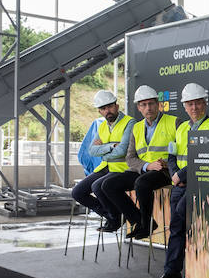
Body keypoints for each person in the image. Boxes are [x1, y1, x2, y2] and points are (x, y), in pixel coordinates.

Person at [152, 83, 209, 278]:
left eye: (198, 103)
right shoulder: (182, 127)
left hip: (204, 184)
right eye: (190, 104)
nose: (194, 107)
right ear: (184, 106)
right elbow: (172, 154)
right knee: (176, 227)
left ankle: (204, 273)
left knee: (188, 220)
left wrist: (182, 175)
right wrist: (176, 174)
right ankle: (172, 272)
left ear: (205, 103)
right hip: (180, 185)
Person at [99, 85, 180, 238]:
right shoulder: (136, 128)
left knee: (142, 183)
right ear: (139, 107)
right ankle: (141, 221)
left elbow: (183, 151)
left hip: (164, 172)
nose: (148, 108)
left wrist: (167, 163)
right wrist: (146, 166)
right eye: (144, 105)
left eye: (151, 103)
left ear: (158, 104)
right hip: (143, 170)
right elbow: (130, 158)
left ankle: (145, 223)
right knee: (108, 185)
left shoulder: (174, 122)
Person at [71, 90, 134, 231]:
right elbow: (92, 151)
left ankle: (115, 218)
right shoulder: (102, 126)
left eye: (110, 106)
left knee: (98, 187)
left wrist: (103, 149)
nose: (108, 111)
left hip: (122, 168)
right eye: (103, 108)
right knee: (77, 193)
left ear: (117, 106)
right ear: (99, 112)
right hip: (105, 167)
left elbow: (122, 150)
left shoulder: (129, 123)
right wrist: (111, 146)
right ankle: (112, 216)